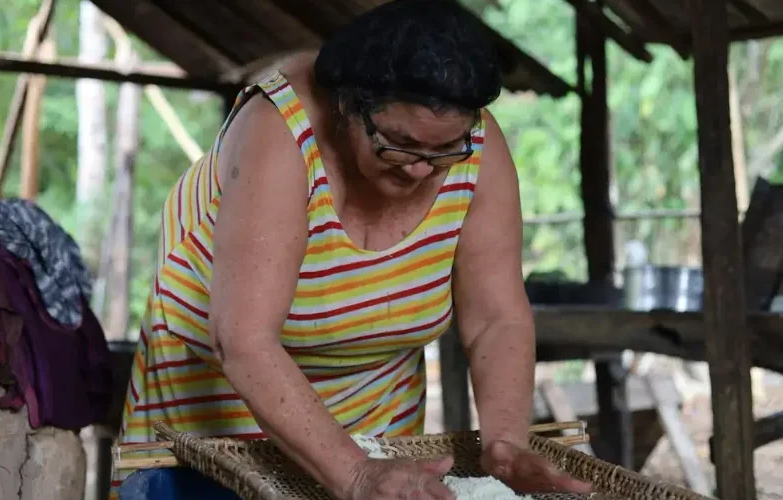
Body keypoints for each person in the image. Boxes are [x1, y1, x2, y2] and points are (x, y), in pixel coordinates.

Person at [112, 1, 592, 499]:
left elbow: (497, 317)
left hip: (376, 418)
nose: (420, 169)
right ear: (346, 106)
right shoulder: (278, 130)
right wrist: (356, 475)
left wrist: (506, 441)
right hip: (218, 413)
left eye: (442, 151)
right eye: (399, 144)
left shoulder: (473, 148)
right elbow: (243, 341)